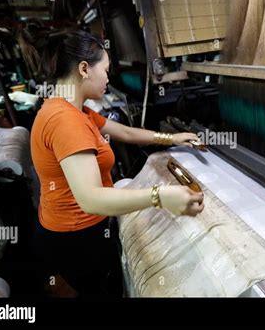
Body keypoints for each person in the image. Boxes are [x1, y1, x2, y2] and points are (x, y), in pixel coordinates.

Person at [18, 24, 205, 297]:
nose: (108, 78)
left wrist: (171, 138)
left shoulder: (73, 109)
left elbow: (125, 132)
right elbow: (91, 199)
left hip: (73, 230)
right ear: (84, 69)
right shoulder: (65, 121)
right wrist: (161, 196)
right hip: (76, 239)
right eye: (105, 70)